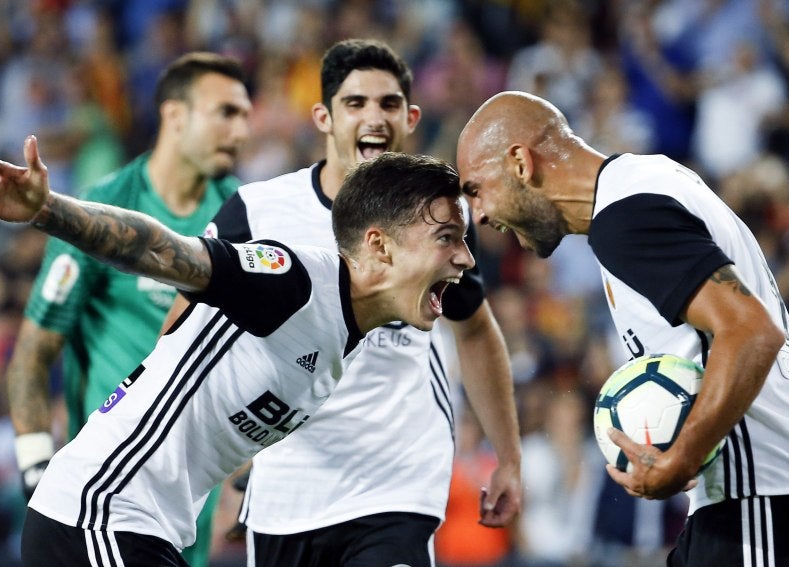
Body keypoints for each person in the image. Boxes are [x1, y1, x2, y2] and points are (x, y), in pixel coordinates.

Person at [0, 138, 475, 566]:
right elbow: (160, 250)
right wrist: (49, 210)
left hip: (144, 527)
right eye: (446, 237)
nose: (466, 258)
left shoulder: (346, 337)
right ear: (380, 245)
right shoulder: (293, 280)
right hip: (100, 513)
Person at [455, 91, 789, 566]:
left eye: (476, 189)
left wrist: (684, 456)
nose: (477, 216)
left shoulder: (625, 218)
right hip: (758, 497)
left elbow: (751, 332)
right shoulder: (642, 184)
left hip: (763, 494)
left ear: (521, 162)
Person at [163, 39, 522, 565]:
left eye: (388, 104)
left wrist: (509, 457)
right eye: (355, 104)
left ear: (411, 116)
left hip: (396, 487)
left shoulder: (439, 217)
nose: (373, 118)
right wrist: (212, 460)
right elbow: (183, 331)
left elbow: (475, 330)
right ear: (324, 117)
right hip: (286, 492)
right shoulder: (259, 212)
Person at [6, 51, 251, 567]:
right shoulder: (104, 207)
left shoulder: (243, 216)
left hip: (191, 505)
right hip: (104, 498)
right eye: (225, 112)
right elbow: (33, 352)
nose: (241, 129)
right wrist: (35, 468)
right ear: (175, 115)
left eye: (245, 115)